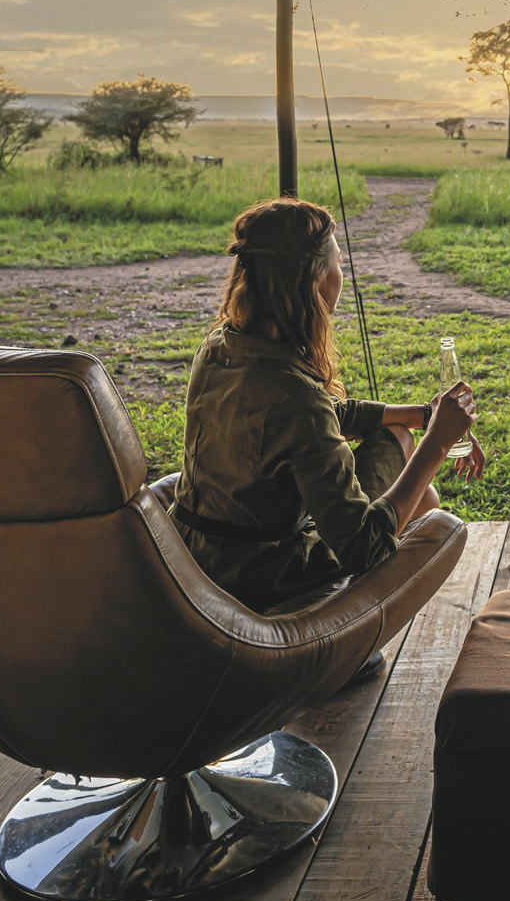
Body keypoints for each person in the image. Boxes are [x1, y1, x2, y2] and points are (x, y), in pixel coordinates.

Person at [171, 196, 482, 616]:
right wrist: (438, 443)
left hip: (195, 555)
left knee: (403, 449)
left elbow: (316, 418)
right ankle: (362, 634)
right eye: (338, 264)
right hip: (259, 574)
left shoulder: (221, 346)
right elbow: (364, 547)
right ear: (314, 281)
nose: (342, 275)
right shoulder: (293, 394)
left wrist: (424, 417)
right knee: (426, 504)